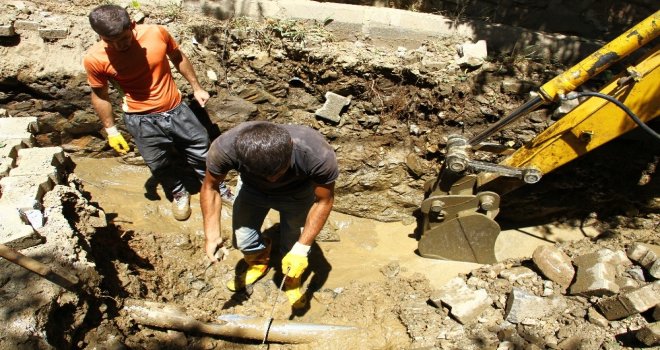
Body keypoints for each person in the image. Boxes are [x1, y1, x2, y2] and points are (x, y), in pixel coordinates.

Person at [83, 4, 232, 221]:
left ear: (132, 26)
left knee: (202, 151)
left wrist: (197, 87)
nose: (118, 45)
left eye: (123, 38)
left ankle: (216, 186)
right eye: (109, 41)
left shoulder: (156, 33)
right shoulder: (95, 58)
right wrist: (111, 130)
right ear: (100, 36)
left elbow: (177, 56)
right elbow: (100, 95)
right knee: (158, 162)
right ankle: (178, 192)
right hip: (140, 119)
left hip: (177, 110)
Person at [201, 121, 338, 308]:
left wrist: (301, 248)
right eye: (265, 175)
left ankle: (291, 279)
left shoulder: (315, 153)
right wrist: (211, 234)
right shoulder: (225, 148)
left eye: (278, 172)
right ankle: (258, 263)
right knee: (242, 240)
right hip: (252, 190)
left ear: (290, 148)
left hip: (297, 194)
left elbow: (324, 200)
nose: (272, 180)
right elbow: (210, 187)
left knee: (293, 244)